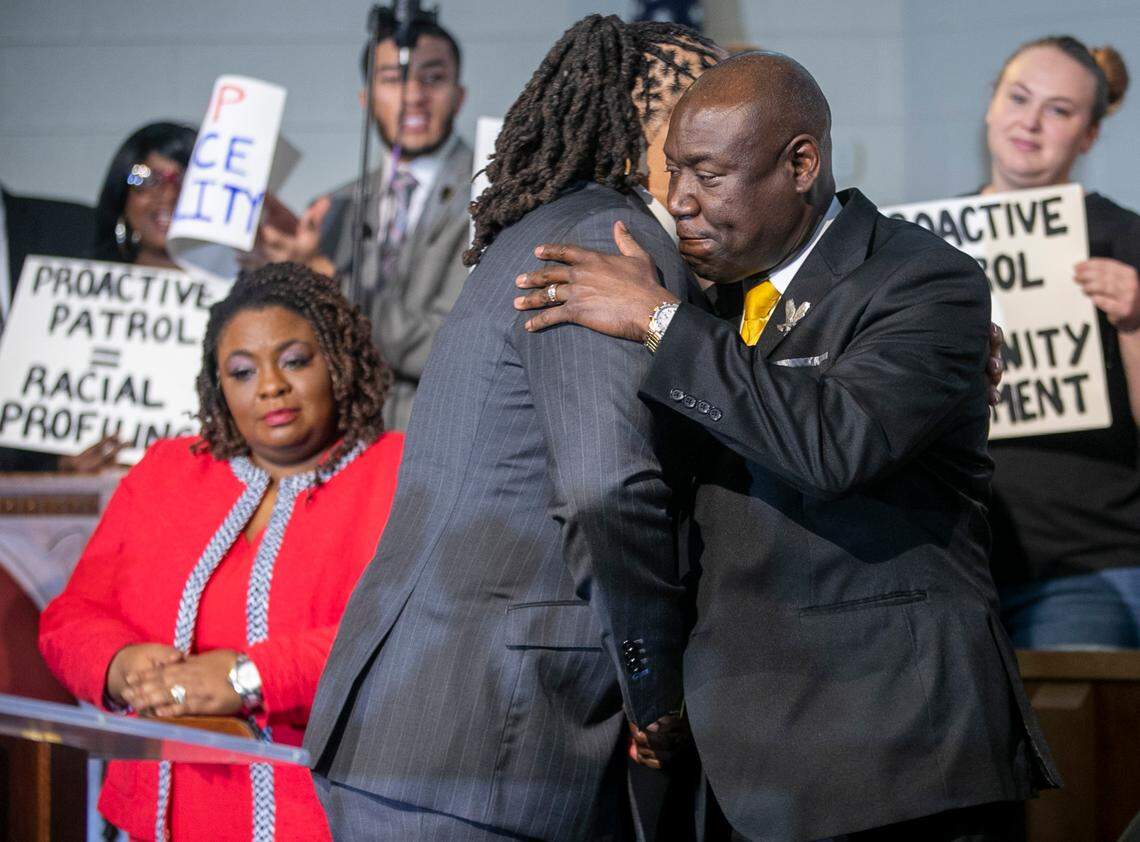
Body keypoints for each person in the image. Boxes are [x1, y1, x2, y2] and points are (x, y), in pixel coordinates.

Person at [514, 51, 1059, 840]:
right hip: (733, 762)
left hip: (892, 757)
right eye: (672, 171)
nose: (680, 201)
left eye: (707, 173)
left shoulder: (924, 281)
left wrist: (661, 324)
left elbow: (834, 446)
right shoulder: (705, 295)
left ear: (800, 163)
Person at [305, 16, 720, 840]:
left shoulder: (540, 230)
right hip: (490, 742)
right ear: (647, 117)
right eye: (707, 107)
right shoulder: (612, 240)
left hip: (426, 731)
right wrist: (656, 687)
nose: (731, 127)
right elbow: (605, 487)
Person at [39, 262, 403, 841]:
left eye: (294, 360)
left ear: (339, 362)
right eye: (241, 370)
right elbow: (71, 616)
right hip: (162, 818)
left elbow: (411, 637)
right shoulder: (167, 470)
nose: (270, 386)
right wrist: (118, 665)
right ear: (218, 385)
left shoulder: (399, 474)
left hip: (329, 817)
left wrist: (252, 676)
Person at [978, 36, 1140, 649]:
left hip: (1090, 562)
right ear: (992, 104)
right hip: (962, 567)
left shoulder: (1125, 237)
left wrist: (1133, 322)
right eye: (1019, 98)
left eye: (1060, 110)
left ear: (1089, 136)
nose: (1031, 122)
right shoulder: (928, 243)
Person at [255, 12, 472, 431]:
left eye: (433, 78)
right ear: (366, 98)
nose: (413, 96)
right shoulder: (334, 208)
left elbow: (456, 349)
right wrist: (280, 273)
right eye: (392, 79)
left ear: (458, 95)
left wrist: (328, 280)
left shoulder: (494, 195)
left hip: (443, 443)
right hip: (348, 453)